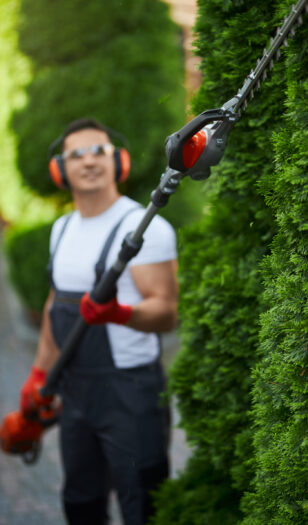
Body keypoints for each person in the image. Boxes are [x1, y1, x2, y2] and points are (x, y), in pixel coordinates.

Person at [19, 118, 178, 525]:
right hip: (76, 394)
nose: (89, 161)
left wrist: (120, 313)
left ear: (118, 161)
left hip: (130, 393)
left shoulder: (145, 228)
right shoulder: (61, 230)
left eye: (99, 151)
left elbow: (165, 312)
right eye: (76, 154)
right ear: (60, 170)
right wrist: (38, 376)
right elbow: (58, 308)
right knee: (81, 503)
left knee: (143, 504)